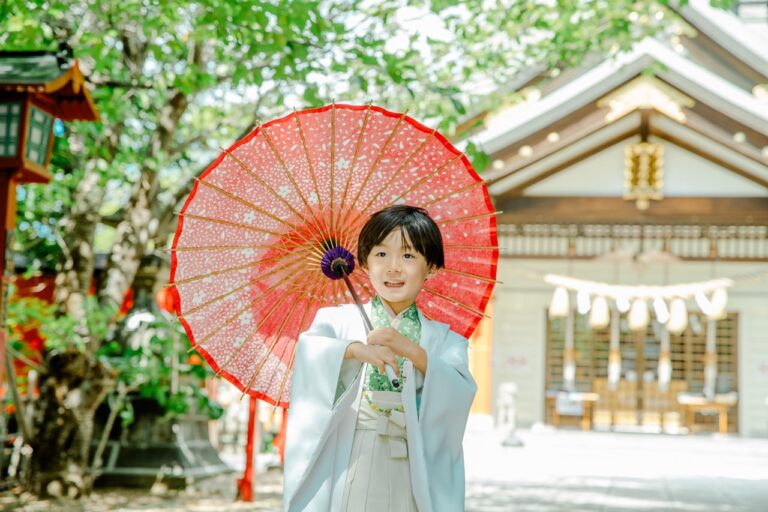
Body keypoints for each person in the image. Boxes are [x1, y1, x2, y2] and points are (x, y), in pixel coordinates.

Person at [283, 205, 477, 512]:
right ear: (363, 262)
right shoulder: (337, 321)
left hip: (414, 458)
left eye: (409, 256)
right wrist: (354, 350)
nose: (393, 267)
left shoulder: (445, 339)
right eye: (381, 254)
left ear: (431, 267)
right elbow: (311, 353)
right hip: (355, 451)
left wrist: (411, 351)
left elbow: (460, 391)